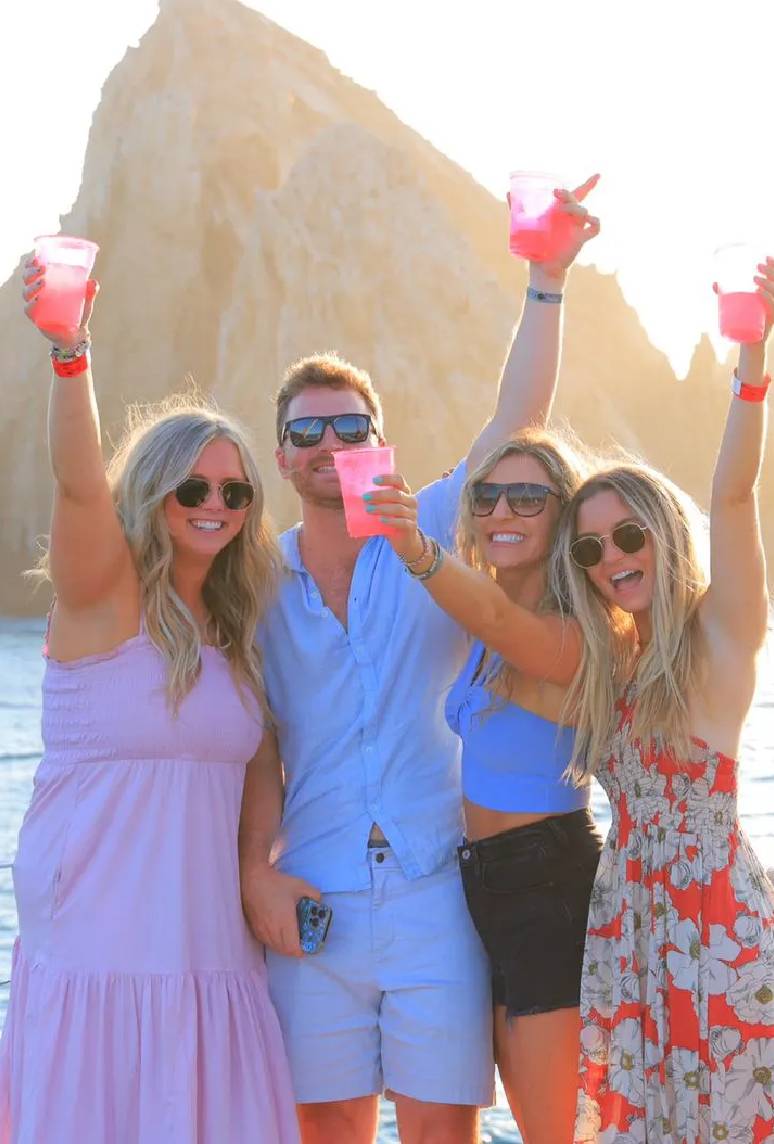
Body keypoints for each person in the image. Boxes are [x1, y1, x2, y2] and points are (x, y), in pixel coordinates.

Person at [375, 254, 774, 1143]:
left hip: (711, 911)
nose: (612, 559)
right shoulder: (614, 661)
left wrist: (751, 367)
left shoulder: (720, 638)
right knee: (633, 1124)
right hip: (622, 909)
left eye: (628, 536)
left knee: (725, 1119)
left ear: (665, 534)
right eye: (590, 549)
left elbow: (736, 492)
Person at [239, 179, 601, 1143]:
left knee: (445, 1133)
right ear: (283, 457)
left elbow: (515, 417)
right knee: (330, 1130)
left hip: (440, 888)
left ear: (378, 443)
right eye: (308, 432)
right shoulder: (253, 583)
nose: (331, 444)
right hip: (315, 897)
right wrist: (251, 872)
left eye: (350, 427)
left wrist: (545, 278)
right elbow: (247, 745)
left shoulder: (430, 530)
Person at [0, 262, 299, 1143]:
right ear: (154, 490)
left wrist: (256, 868)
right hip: (101, 939)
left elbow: (260, 766)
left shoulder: (237, 629)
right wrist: (70, 354)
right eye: (193, 488)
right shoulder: (106, 597)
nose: (216, 506)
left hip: (208, 945)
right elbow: (80, 486)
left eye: (236, 491)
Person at [372, 427, 604, 1144]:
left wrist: (416, 549)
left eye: (528, 496)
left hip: (548, 888)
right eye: (488, 496)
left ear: (563, 514)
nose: (503, 511)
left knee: (556, 1133)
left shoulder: (577, 633)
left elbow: (502, 620)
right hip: (484, 890)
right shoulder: (479, 626)